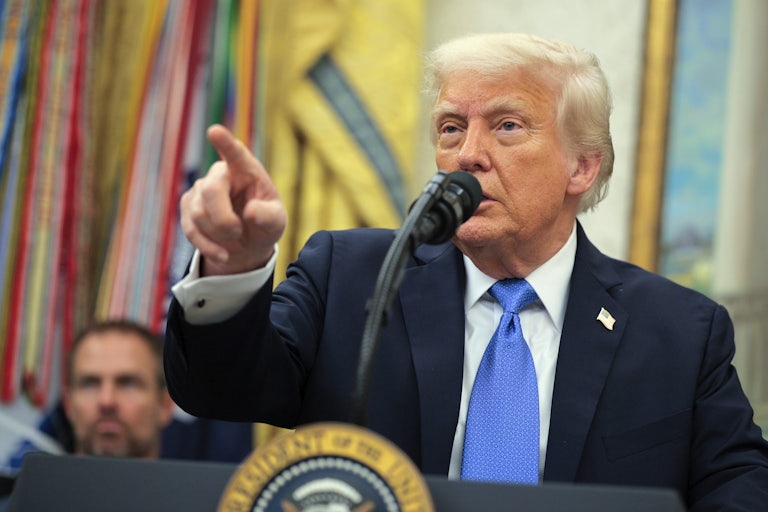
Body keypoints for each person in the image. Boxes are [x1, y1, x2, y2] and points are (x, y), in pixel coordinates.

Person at [164, 33, 768, 508]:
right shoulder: (349, 275)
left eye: (506, 126)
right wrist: (233, 266)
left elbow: (739, 483)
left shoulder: (680, 331)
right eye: (452, 128)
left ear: (581, 168)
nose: (468, 154)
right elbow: (220, 388)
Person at [63, 320, 175, 458]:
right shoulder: (30, 479)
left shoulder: (202, 480)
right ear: (68, 404)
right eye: (90, 384)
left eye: (128, 384)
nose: (106, 401)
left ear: (165, 405)